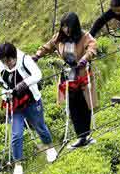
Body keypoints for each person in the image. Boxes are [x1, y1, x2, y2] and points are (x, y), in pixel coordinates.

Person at [0, 42, 56, 174]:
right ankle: (18, 164)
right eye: (3, 61)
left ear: (14, 56)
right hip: (14, 103)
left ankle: (50, 147)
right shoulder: (1, 59)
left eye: (9, 60)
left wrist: (24, 83)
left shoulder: (24, 59)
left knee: (39, 126)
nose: (7, 64)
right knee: (16, 134)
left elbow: (38, 74)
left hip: (31, 100)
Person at [34, 13, 98, 148]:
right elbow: (48, 46)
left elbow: (92, 47)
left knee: (84, 104)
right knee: (72, 105)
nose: (65, 30)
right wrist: (37, 55)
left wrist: (84, 59)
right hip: (68, 76)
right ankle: (81, 136)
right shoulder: (59, 38)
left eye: (67, 27)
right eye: (63, 26)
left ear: (74, 26)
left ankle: (86, 135)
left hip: (81, 74)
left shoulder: (84, 36)